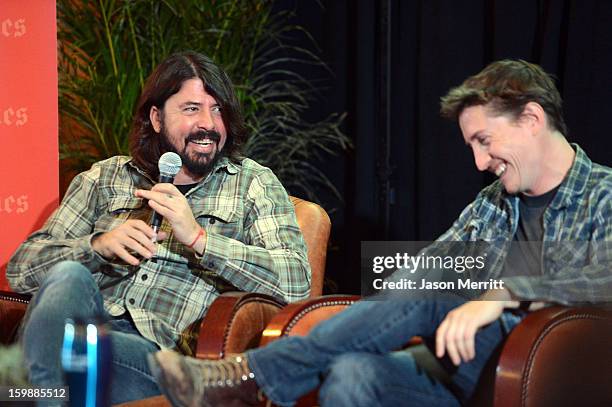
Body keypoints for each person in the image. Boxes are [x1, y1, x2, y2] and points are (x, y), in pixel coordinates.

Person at [148, 59, 612, 407]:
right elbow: (429, 268)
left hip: (544, 363)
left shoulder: (602, 194)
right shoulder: (494, 201)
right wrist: (391, 306)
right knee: (352, 371)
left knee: (431, 284)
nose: (479, 163)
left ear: (531, 119)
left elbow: (605, 277)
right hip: (457, 364)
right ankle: (256, 377)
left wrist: (503, 292)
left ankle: (250, 378)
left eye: (484, 142)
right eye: (471, 146)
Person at [7, 51, 311, 404]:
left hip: (150, 358)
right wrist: (97, 246)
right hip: (80, 325)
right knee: (70, 277)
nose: (209, 124)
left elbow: (296, 282)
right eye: (191, 109)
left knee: (67, 349)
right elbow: (21, 269)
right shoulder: (104, 177)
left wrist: (200, 238)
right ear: (156, 118)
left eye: (218, 110)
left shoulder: (251, 184)